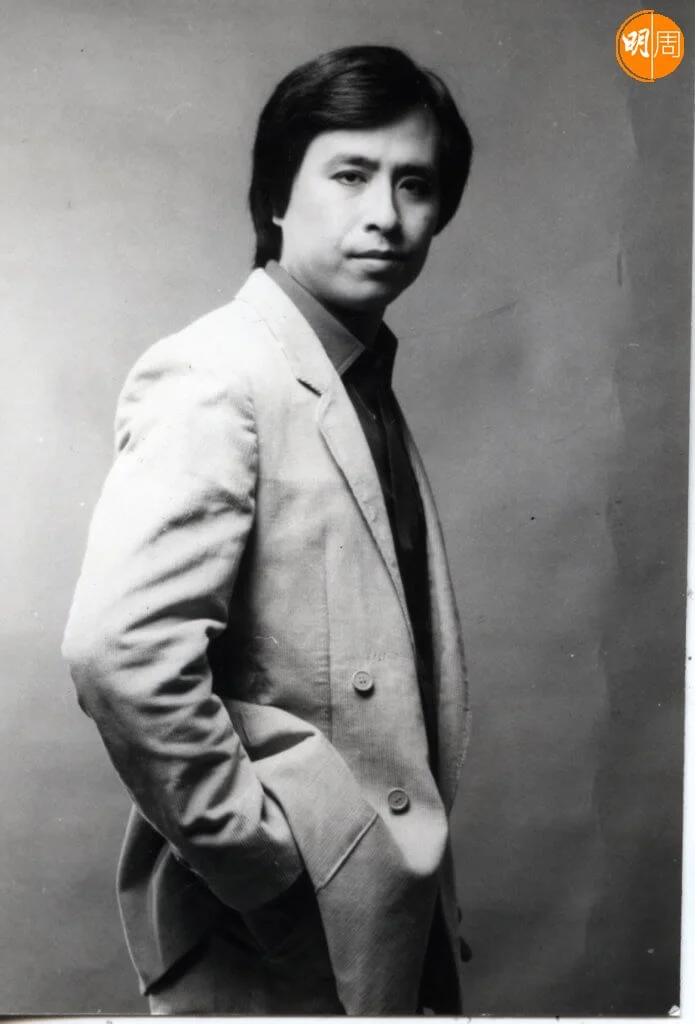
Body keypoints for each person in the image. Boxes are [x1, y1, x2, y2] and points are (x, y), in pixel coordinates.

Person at [62, 44, 474, 1015]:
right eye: (349, 175)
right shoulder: (217, 370)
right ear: (277, 197)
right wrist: (268, 868)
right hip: (278, 934)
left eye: (414, 184)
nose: (385, 215)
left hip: (382, 904)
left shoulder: (351, 376)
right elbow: (121, 652)